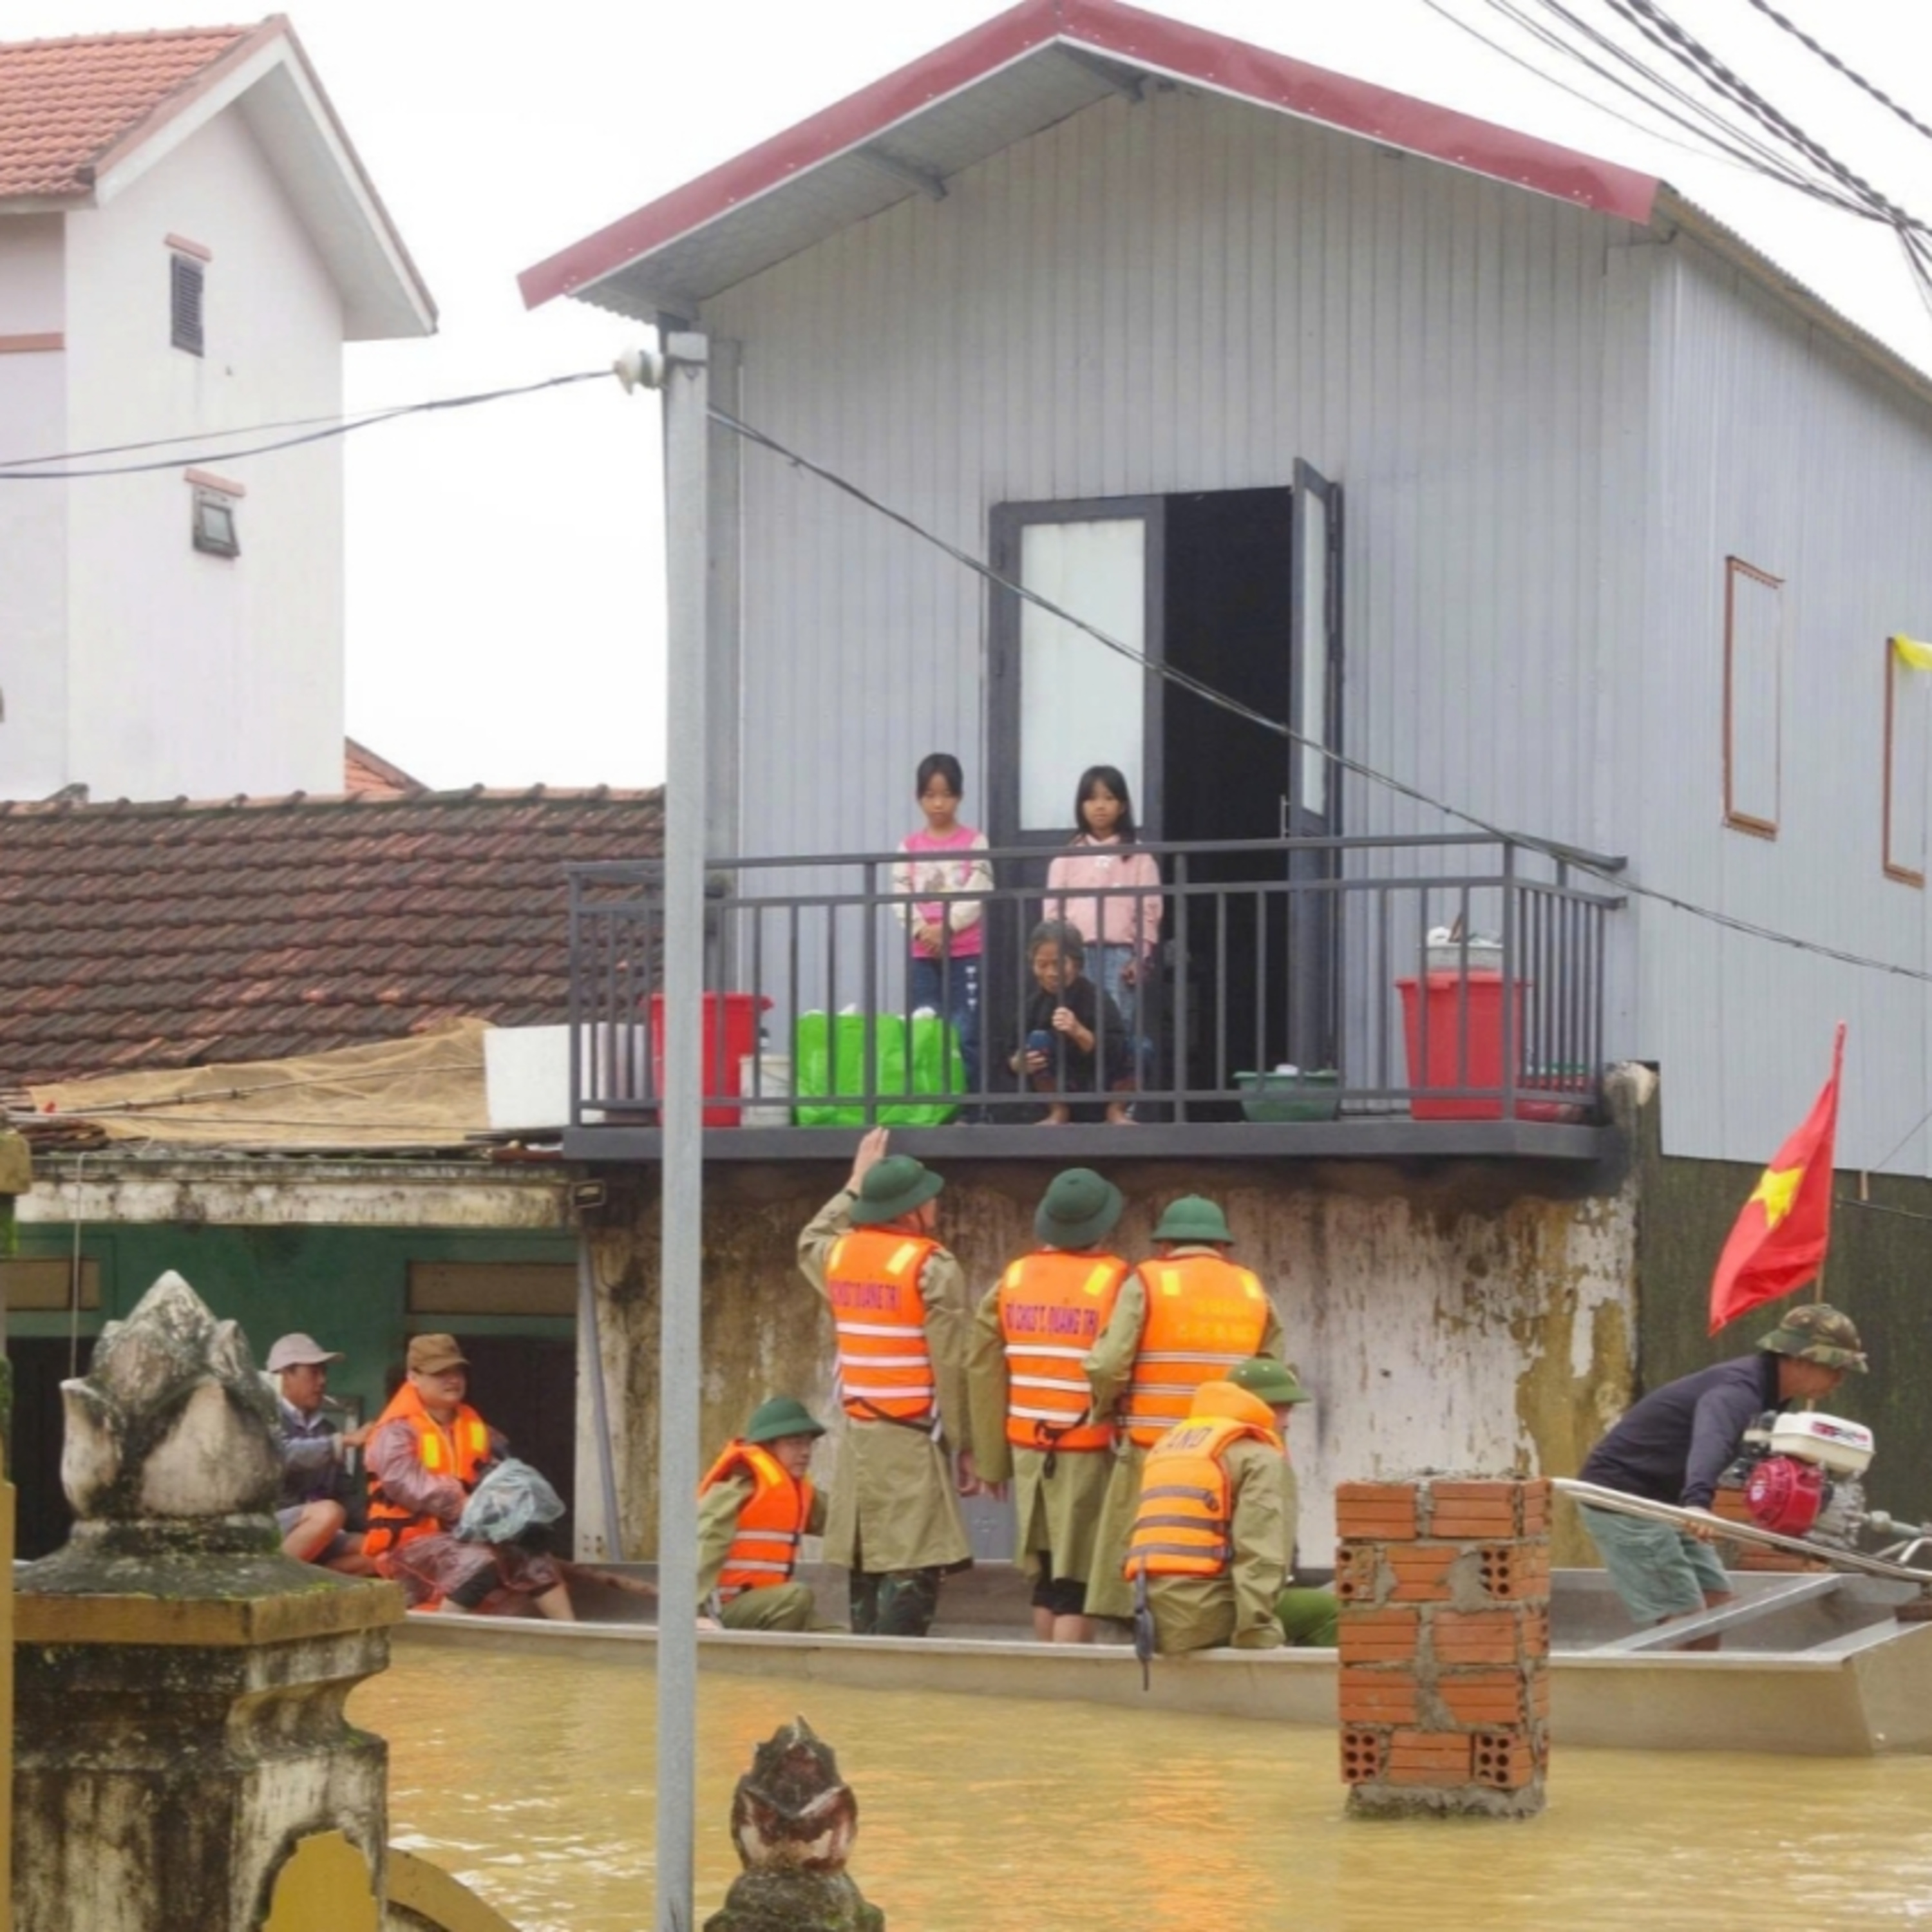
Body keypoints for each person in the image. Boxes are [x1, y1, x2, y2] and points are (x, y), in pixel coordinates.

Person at [1576, 1303, 1868, 1645]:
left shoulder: (1771, 1393)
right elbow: (1711, 1439)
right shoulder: (1738, 1390)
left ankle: (1706, 1675)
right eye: (1835, 1368)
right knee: (1686, 1621)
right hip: (1625, 1497)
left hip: (1666, 1500)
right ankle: (1683, 1680)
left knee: (1718, 1605)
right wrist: (1698, 1503)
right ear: (1801, 1359)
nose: (1840, 1379)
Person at [797, 1127, 983, 1636]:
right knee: (913, 1566)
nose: (936, 1204)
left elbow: (810, 1237)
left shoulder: (838, 1255)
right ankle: (896, 1671)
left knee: (867, 1563)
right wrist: (966, 1446)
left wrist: (854, 1183)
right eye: (929, 1198)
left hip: (860, 1439)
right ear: (910, 1211)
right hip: (911, 1441)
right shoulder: (931, 1266)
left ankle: (864, 1671)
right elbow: (952, 1365)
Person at [1081, 1195, 1284, 1623]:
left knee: (1149, 1555)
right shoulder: (1251, 1289)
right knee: (1223, 1549)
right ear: (1223, 1246)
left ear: (1165, 1246)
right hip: (1230, 1453)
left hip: (1154, 1449)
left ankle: (1141, 1633)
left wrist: (1105, 1409)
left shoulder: (1148, 1280)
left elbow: (1108, 1364)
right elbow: (1273, 1378)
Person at [969, 1168, 1133, 1643]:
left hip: (1028, 1451)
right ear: (1102, 1225)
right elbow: (1117, 1364)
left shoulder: (1014, 1277)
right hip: (1088, 1450)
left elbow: (982, 1367)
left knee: (1046, 1577)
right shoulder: (1117, 1279)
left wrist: (990, 1461)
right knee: (1077, 1581)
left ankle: (1043, 1670)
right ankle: (1071, 1678)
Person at [363, 1332, 575, 1620]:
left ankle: (573, 1634)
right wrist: (473, 1506)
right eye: (440, 1373)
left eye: (457, 1371)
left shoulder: (477, 1427)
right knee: (478, 1566)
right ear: (413, 1377)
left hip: (466, 1534)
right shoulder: (394, 1432)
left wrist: (518, 1509)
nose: (452, 1380)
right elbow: (406, 1484)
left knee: (534, 1558)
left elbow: (503, 1472)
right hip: (411, 1545)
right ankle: (440, 1637)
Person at [1124, 1356, 1328, 1653]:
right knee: (1335, 1613)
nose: (1287, 1422)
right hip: (1206, 1617)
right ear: (1260, 1406)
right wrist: (1257, 1631)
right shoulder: (1259, 1458)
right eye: (1283, 1408)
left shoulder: (1171, 1446)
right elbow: (1260, 1551)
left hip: (1152, 1619)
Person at [1043, 764, 1162, 1082]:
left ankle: (1117, 1100)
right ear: (1081, 805)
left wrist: (1141, 955)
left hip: (1120, 953)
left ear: (1122, 805)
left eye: (1109, 798)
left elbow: (1149, 909)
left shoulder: (1138, 856)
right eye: (1092, 798)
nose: (1100, 806)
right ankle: (1079, 1095)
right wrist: (1057, 955)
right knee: (1073, 1022)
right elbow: (1053, 910)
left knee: (1117, 1025)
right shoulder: (1067, 856)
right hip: (1075, 955)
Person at [892, 752, 992, 1099]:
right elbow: (900, 894)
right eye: (930, 795)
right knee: (925, 1029)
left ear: (960, 796)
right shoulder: (909, 847)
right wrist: (923, 930)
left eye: (947, 794)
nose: (938, 803)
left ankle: (968, 1109)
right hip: (923, 953)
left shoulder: (975, 842)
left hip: (966, 951)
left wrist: (946, 928)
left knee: (965, 1032)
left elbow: (979, 889)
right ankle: (930, 1106)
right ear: (919, 797)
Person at [697, 1396, 832, 1632]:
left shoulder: (798, 1492)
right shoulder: (737, 1489)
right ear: (767, 1447)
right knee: (796, 1596)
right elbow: (704, 1543)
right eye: (794, 1443)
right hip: (722, 1611)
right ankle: (769, 1656)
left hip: (771, 1605)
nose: (805, 1452)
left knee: (839, 1639)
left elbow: (840, 1522)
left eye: (808, 1444)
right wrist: (693, 1612)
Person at [266, 1331, 375, 1573]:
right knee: (328, 1513)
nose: (323, 1381)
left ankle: (304, 1584)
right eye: (314, 1372)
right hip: (264, 1531)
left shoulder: (326, 1428)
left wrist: (382, 1526)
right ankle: (270, 1583)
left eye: (324, 1372)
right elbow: (282, 1455)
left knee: (380, 1552)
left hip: (316, 1531)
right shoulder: (262, 1417)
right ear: (284, 1375)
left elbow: (345, 1495)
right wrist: (344, 1441)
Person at [1010, 920, 1134, 1126]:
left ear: (1076, 964)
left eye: (1058, 964)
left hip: (1099, 1088)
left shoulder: (1096, 998)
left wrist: (1079, 1032)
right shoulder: (1032, 1005)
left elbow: (1118, 1050)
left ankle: (1116, 1110)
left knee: (1141, 1047)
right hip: (1058, 1087)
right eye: (1042, 965)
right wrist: (1018, 1063)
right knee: (1037, 1039)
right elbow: (1009, 1053)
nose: (1051, 973)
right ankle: (1057, 1110)